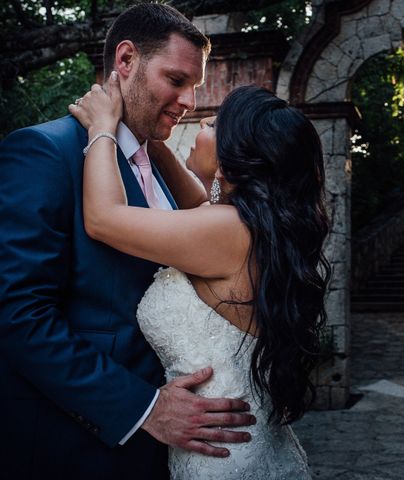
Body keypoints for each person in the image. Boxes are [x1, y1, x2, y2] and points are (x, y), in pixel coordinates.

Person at [0, 4, 255, 479]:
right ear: (125, 60)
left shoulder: (163, 165)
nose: (188, 102)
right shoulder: (44, 152)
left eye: (194, 88)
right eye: (176, 80)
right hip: (76, 446)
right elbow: (18, 315)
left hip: (172, 451)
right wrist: (143, 408)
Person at [70, 75, 330, 478]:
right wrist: (149, 137)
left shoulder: (227, 231)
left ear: (235, 157)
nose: (203, 123)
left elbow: (103, 219)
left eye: (216, 124)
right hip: (247, 444)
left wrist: (102, 129)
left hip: (222, 458)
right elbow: (197, 201)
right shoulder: (256, 228)